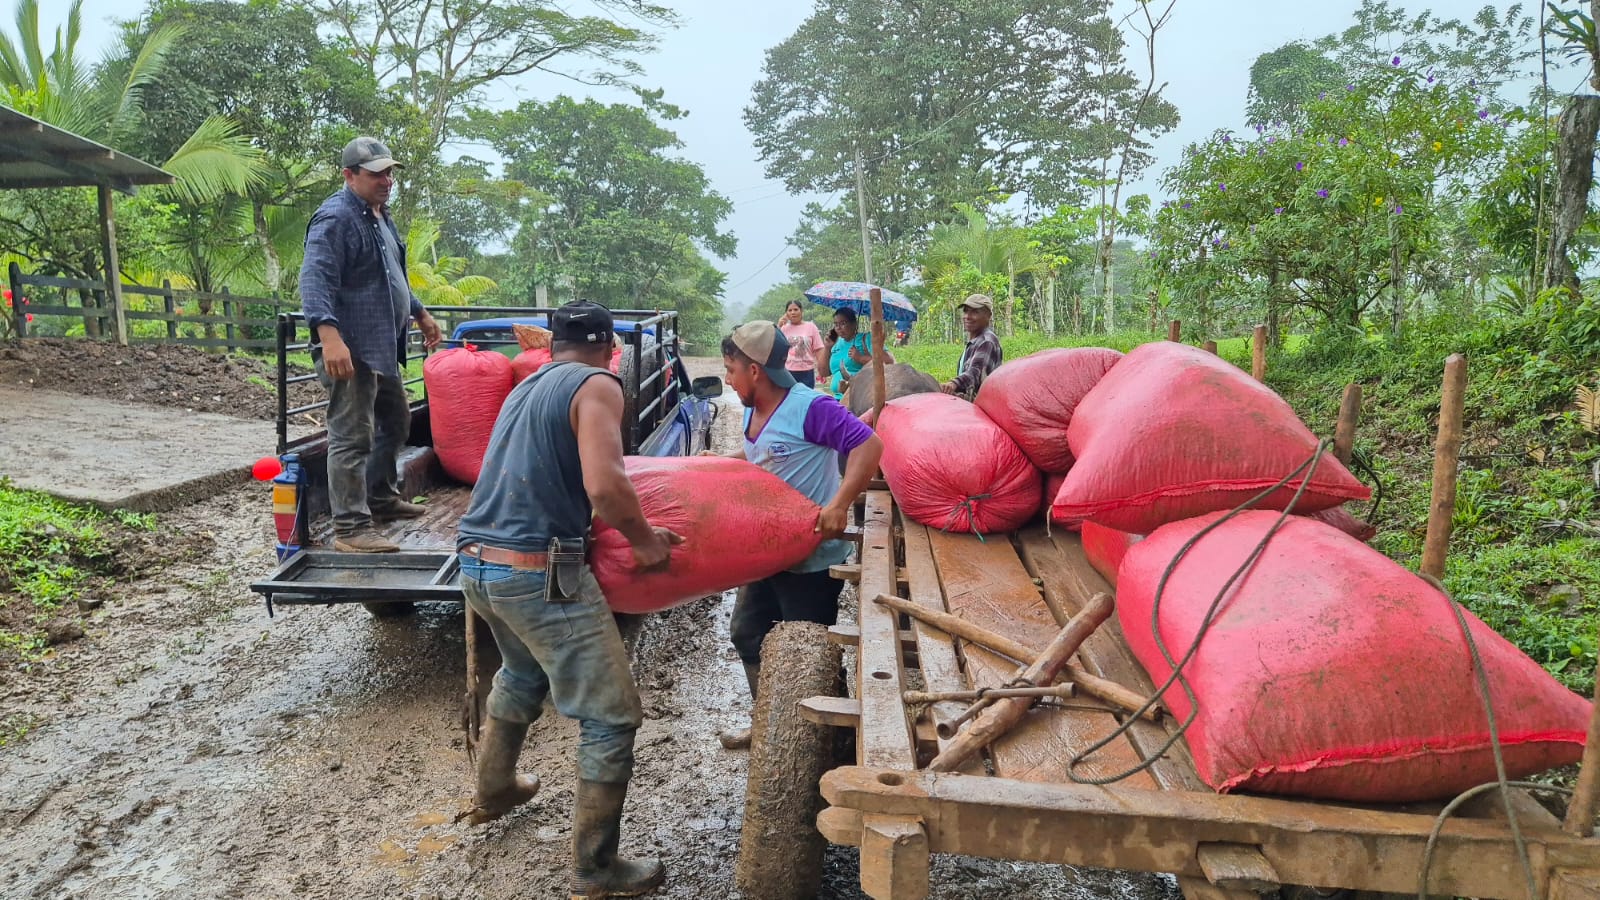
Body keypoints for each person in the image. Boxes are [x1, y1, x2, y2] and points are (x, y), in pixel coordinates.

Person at [454, 301, 681, 899]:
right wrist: (645, 541)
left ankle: (495, 789)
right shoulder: (599, 385)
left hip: (477, 565)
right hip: (538, 573)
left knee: (522, 672)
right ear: (611, 348)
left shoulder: (525, 386)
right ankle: (595, 870)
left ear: (552, 346)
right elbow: (605, 485)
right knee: (610, 715)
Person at [711, 321, 883, 749]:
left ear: (754, 370)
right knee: (747, 633)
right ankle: (769, 725)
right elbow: (763, 452)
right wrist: (718, 463)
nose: (728, 382)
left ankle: (831, 741)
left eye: (731, 371)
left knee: (811, 653)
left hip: (810, 555)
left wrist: (840, 504)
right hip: (766, 549)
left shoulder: (811, 407)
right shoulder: (754, 407)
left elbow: (869, 446)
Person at [299, 136, 443, 553]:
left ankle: (380, 496)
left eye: (390, 172)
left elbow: (390, 274)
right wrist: (329, 337)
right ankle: (350, 527)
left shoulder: (378, 214)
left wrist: (419, 311)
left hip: (381, 346)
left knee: (396, 420)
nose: (387, 180)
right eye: (377, 173)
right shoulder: (335, 219)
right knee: (351, 436)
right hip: (352, 350)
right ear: (349, 175)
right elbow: (314, 281)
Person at [820, 307, 894, 400]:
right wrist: (827, 348)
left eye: (843, 323)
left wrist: (861, 358)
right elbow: (824, 372)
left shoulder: (866, 339)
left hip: (861, 400)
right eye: (836, 324)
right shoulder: (835, 344)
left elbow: (889, 363)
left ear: (854, 324)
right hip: (838, 400)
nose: (838, 328)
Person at [941, 294, 1003, 399]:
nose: (967, 317)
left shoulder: (986, 341)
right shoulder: (975, 342)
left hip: (980, 407)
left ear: (988, 315)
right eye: (966, 311)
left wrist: (954, 383)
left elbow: (976, 372)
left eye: (975, 312)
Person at [777, 299, 824, 388]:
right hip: (788, 372)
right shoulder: (783, 328)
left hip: (807, 372)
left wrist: (821, 370)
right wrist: (778, 326)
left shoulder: (811, 327)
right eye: (790, 310)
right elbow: (775, 346)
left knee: (807, 399)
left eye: (795, 309)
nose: (793, 312)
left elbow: (819, 349)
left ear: (801, 311)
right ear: (786, 313)